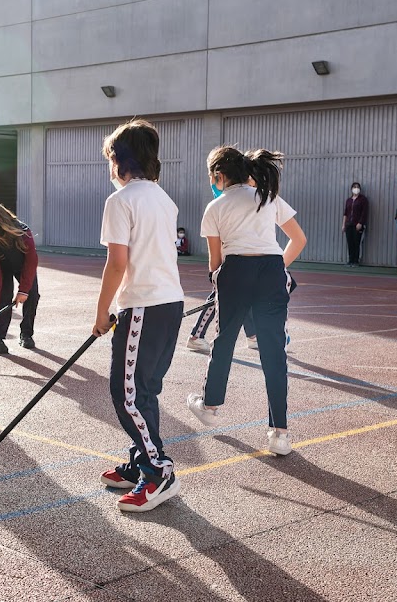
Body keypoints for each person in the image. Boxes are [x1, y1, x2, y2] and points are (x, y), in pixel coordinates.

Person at [186, 146, 307, 456]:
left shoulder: (215, 207)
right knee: (273, 352)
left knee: (224, 341)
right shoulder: (267, 196)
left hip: (236, 269)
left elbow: (215, 261)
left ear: (219, 175)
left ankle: (211, 406)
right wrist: (279, 266)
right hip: (270, 269)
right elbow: (299, 239)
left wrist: (217, 278)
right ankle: (280, 433)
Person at [94, 119, 183, 513]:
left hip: (144, 305)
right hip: (170, 303)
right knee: (144, 389)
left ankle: (158, 470)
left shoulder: (121, 201)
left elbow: (117, 264)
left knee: (126, 392)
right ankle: (140, 461)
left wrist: (101, 311)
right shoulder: (164, 199)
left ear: (118, 161)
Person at [0, 202, 40, 354]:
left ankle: (26, 334)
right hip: (2, 268)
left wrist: (23, 290)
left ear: (4, 219)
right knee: (3, 299)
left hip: (23, 265)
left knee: (32, 295)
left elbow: (31, 261)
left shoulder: (22, 231)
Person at [342, 181, 368, 267]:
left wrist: (360, 223)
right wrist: (344, 224)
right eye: (354, 187)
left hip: (357, 225)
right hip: (349, 224)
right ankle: (350, 260)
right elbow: (345, 213)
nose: (356, 189)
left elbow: (364, 213)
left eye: (357, 187)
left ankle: (356, 261)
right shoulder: (348, 200)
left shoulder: (363, 199)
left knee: (356, 242)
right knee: (350, 243)